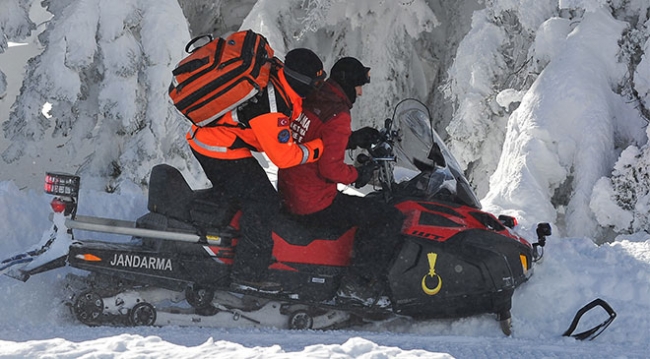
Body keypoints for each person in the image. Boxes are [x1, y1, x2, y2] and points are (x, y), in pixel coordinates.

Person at [186, 48, 327, 291]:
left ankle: (219, 246)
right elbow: (284, 157)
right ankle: (248, 275)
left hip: (218, 139)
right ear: (301, 82)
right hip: (218, 147)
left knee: (243, 193)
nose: (317, 88)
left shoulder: (279, 79)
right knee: (263, 202)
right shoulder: (271, 105)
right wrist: (319, 148)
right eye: (315, 83)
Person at [277, 57, 405, 304]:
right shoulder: (338, 114)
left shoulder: (316, 97)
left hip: (292, 190)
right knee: (386, 217)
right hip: (313, 203)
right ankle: (358, 284)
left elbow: (319, 139)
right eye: (359, 86)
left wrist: (353, 139)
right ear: (348, 84)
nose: (360, 92)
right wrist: (357, 175)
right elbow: (330, 168)